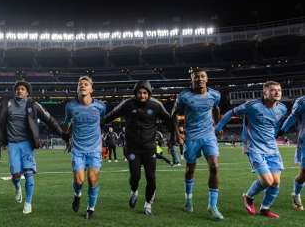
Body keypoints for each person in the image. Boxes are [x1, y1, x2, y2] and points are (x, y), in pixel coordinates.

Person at [0, 80, 68, 214]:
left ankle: (28, 202)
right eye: (18, 89)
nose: (20, 91)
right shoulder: (6, 104)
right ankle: (17, 187)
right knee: (16, 174)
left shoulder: (33, 105)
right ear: (15, 91)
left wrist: (62, 134)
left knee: (29, 173)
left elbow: (49, 120)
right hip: (12, 144)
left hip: (27, 144)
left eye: (23, 89)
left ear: (28, 93)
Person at [216, 81, 287, 218]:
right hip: (254, 147)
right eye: (273, 90)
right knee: (267, 181)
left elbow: (274, 124)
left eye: (279, 90)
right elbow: (231, 113)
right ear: (265, 93)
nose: (277, 92)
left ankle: (265, 209)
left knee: (276, 182)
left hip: (272, 148)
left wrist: (275, 135)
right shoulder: (252, 106)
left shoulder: (282, 108)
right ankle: (248, 196)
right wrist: (218, 128)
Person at [102, 80, 173, 215]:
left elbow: (169, 120)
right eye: (139, 93)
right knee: (135, 177)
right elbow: (111, 115)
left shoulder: (156, 105)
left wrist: (174, 138)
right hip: (132, 149)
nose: (142, 95)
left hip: (149, 148)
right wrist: (96, 123)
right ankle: (134, 191)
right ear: (135, 93)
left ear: (149, 93)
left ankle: (148, 204)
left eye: (145, 93)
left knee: (151, 177)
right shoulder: (127, 104)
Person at [171, 67, 223, 220]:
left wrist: (217, 124)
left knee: (214, 166)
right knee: (190, 169)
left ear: (206, 79)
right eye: (196, 77)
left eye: (202, 76)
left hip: (208, 135)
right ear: (191, 79)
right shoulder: (184, 96)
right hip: (191, 136)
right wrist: (178, 133)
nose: (199, 79)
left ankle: (212, 206)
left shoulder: (215, 95)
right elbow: (173, 114)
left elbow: (216, 108)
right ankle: (188, 198)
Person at [66, 76, 106, 219]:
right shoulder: (70, 106)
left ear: (91, 89)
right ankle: (77, 195)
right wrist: (67, 135)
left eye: (86, 84)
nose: (83, 85)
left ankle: (91, 208)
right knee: (79, 181)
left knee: (92, 179)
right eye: (80, 84)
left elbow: (102, 122)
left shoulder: (100, 106)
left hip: (95, 149)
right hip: (78, 150)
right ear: (77, 89)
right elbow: (67, 124)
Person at [279, 95, 305, 211]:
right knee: (304, 173)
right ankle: (296, 194)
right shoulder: (301, 101)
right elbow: (292, 117)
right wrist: (282, 130)